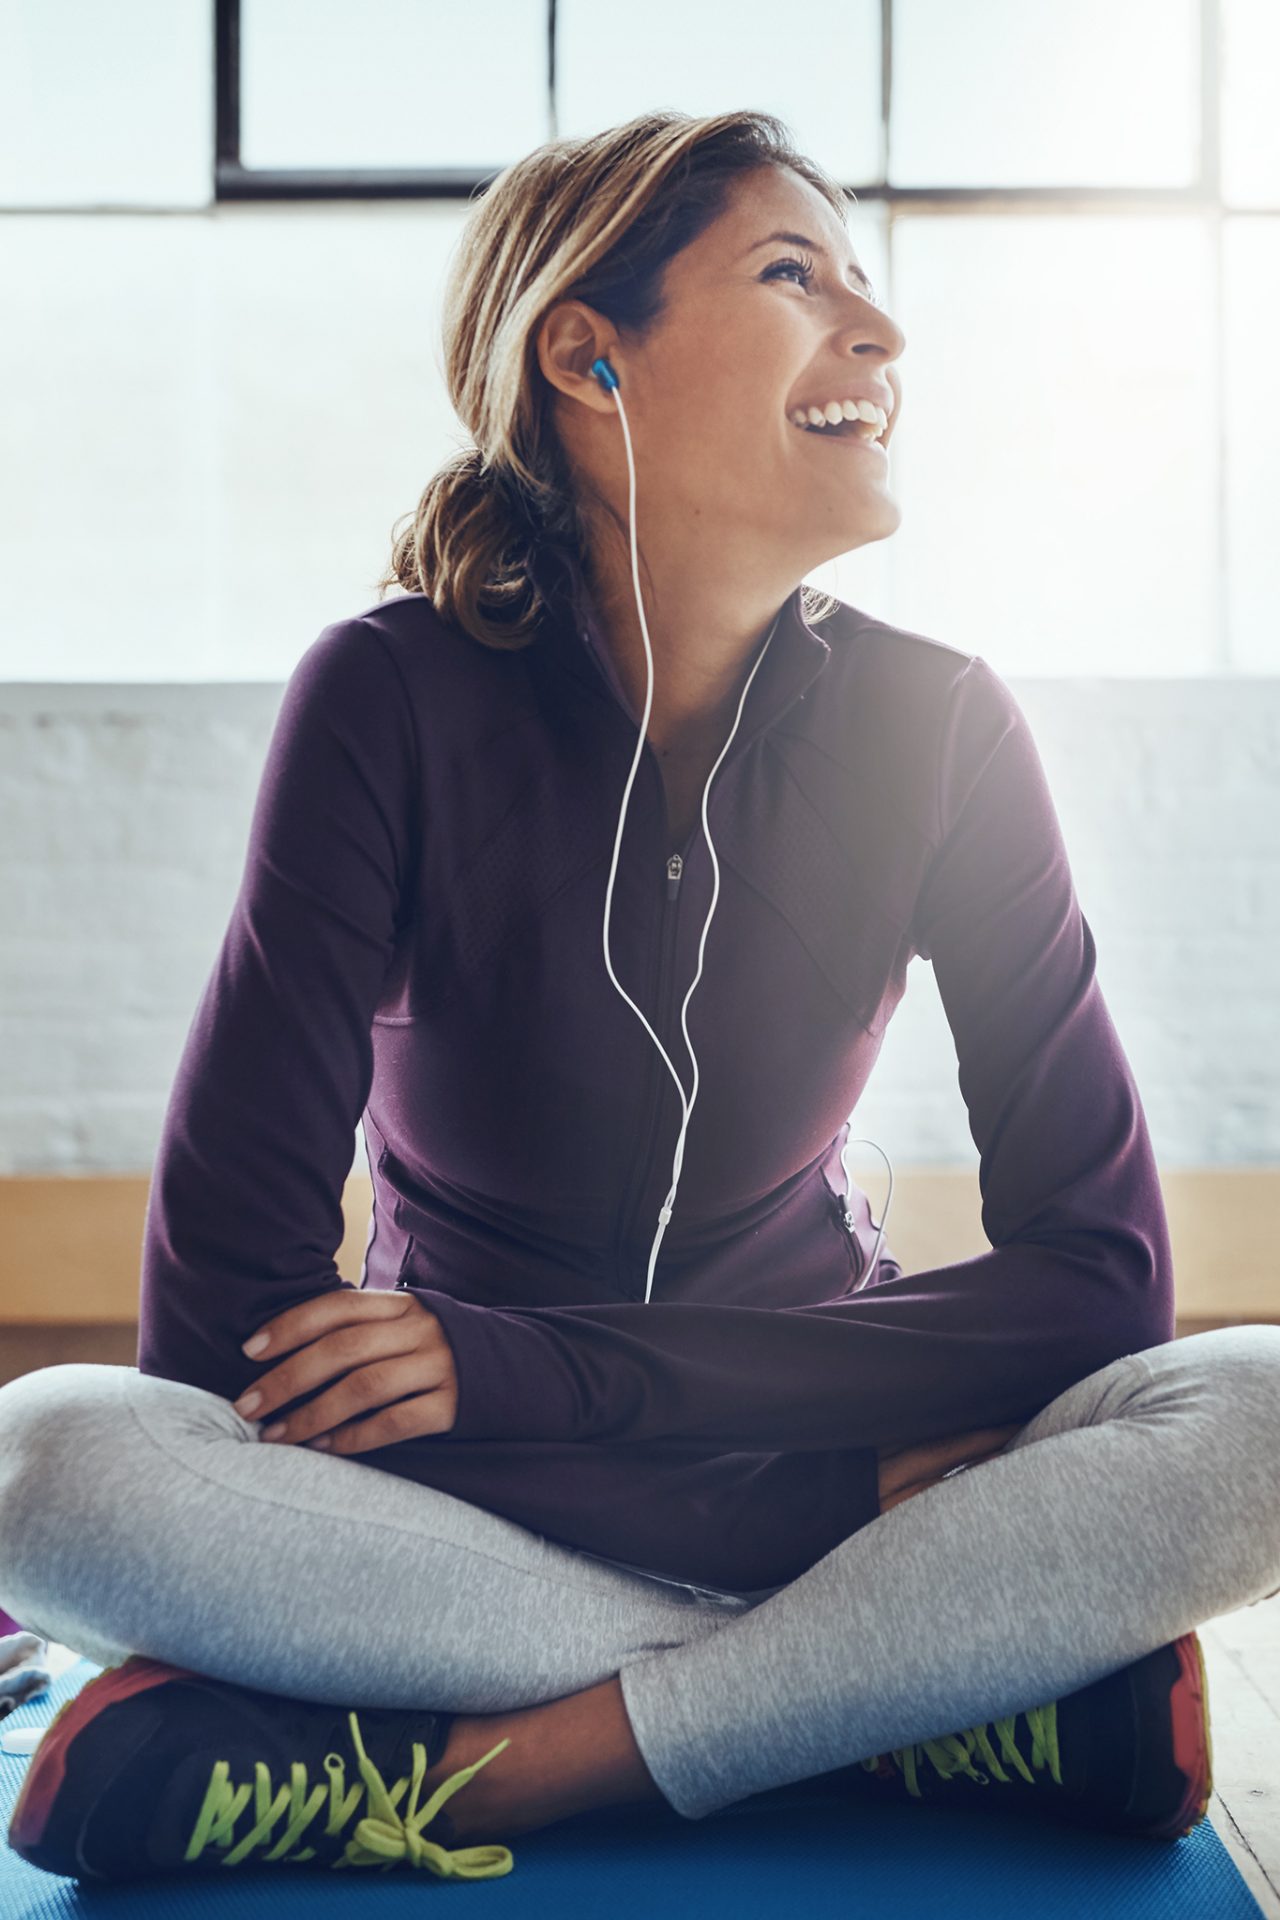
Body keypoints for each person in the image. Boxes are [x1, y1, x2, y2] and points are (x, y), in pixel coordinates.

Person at [2, 107, 1279, 1885]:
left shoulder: (947, 726)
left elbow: (1109, 1280)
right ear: (586, 355)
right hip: (577, 1514)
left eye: (868, 283)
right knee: (47, 1458)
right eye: (792, 274)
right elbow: (219, 1331)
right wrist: (840, 1513)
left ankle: (522, 1766)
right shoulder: (386, 697)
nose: (882, 334)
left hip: (750, 1466)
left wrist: (545, 1381)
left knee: (1261, 1410)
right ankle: (898, 1706)